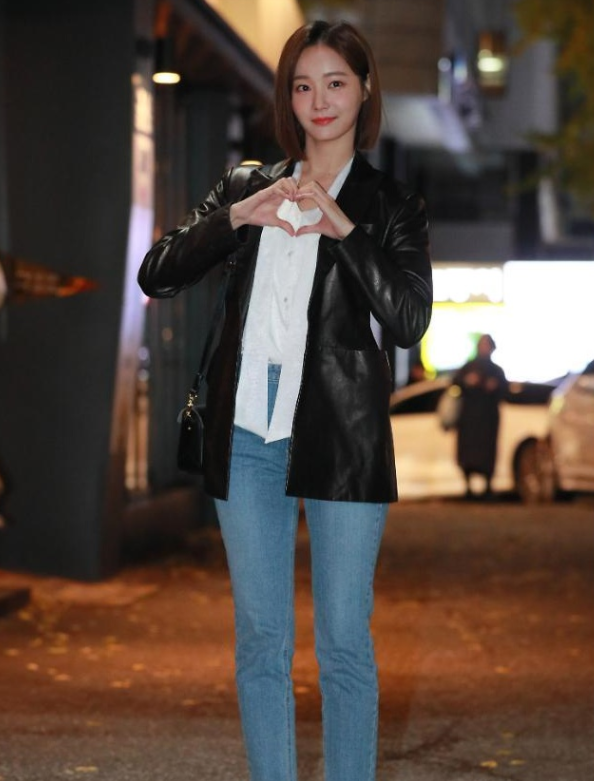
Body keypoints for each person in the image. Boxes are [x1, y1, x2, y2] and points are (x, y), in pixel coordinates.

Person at [138, 19, 432, 781]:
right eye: (303, 86)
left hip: (343, 431)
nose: (319, 101)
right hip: (245, 427)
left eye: (335, 83)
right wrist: (238, 216)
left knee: (343, 641)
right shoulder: (247, 184)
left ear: (364, 89)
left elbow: (408, 320)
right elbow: (157, 272)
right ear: (288, 97)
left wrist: (344, 228)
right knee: (262, 640)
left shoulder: (390, 201)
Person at [452, 334, 507, 499]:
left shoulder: (496, 371)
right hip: (469, 419)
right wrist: (468, 381)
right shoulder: (468, 367)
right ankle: (468, 487)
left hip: (488, 419)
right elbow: (455, 382)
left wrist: (495, 386)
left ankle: (488, 486)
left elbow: (505, 390)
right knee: (468, 454)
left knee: (487, 453)